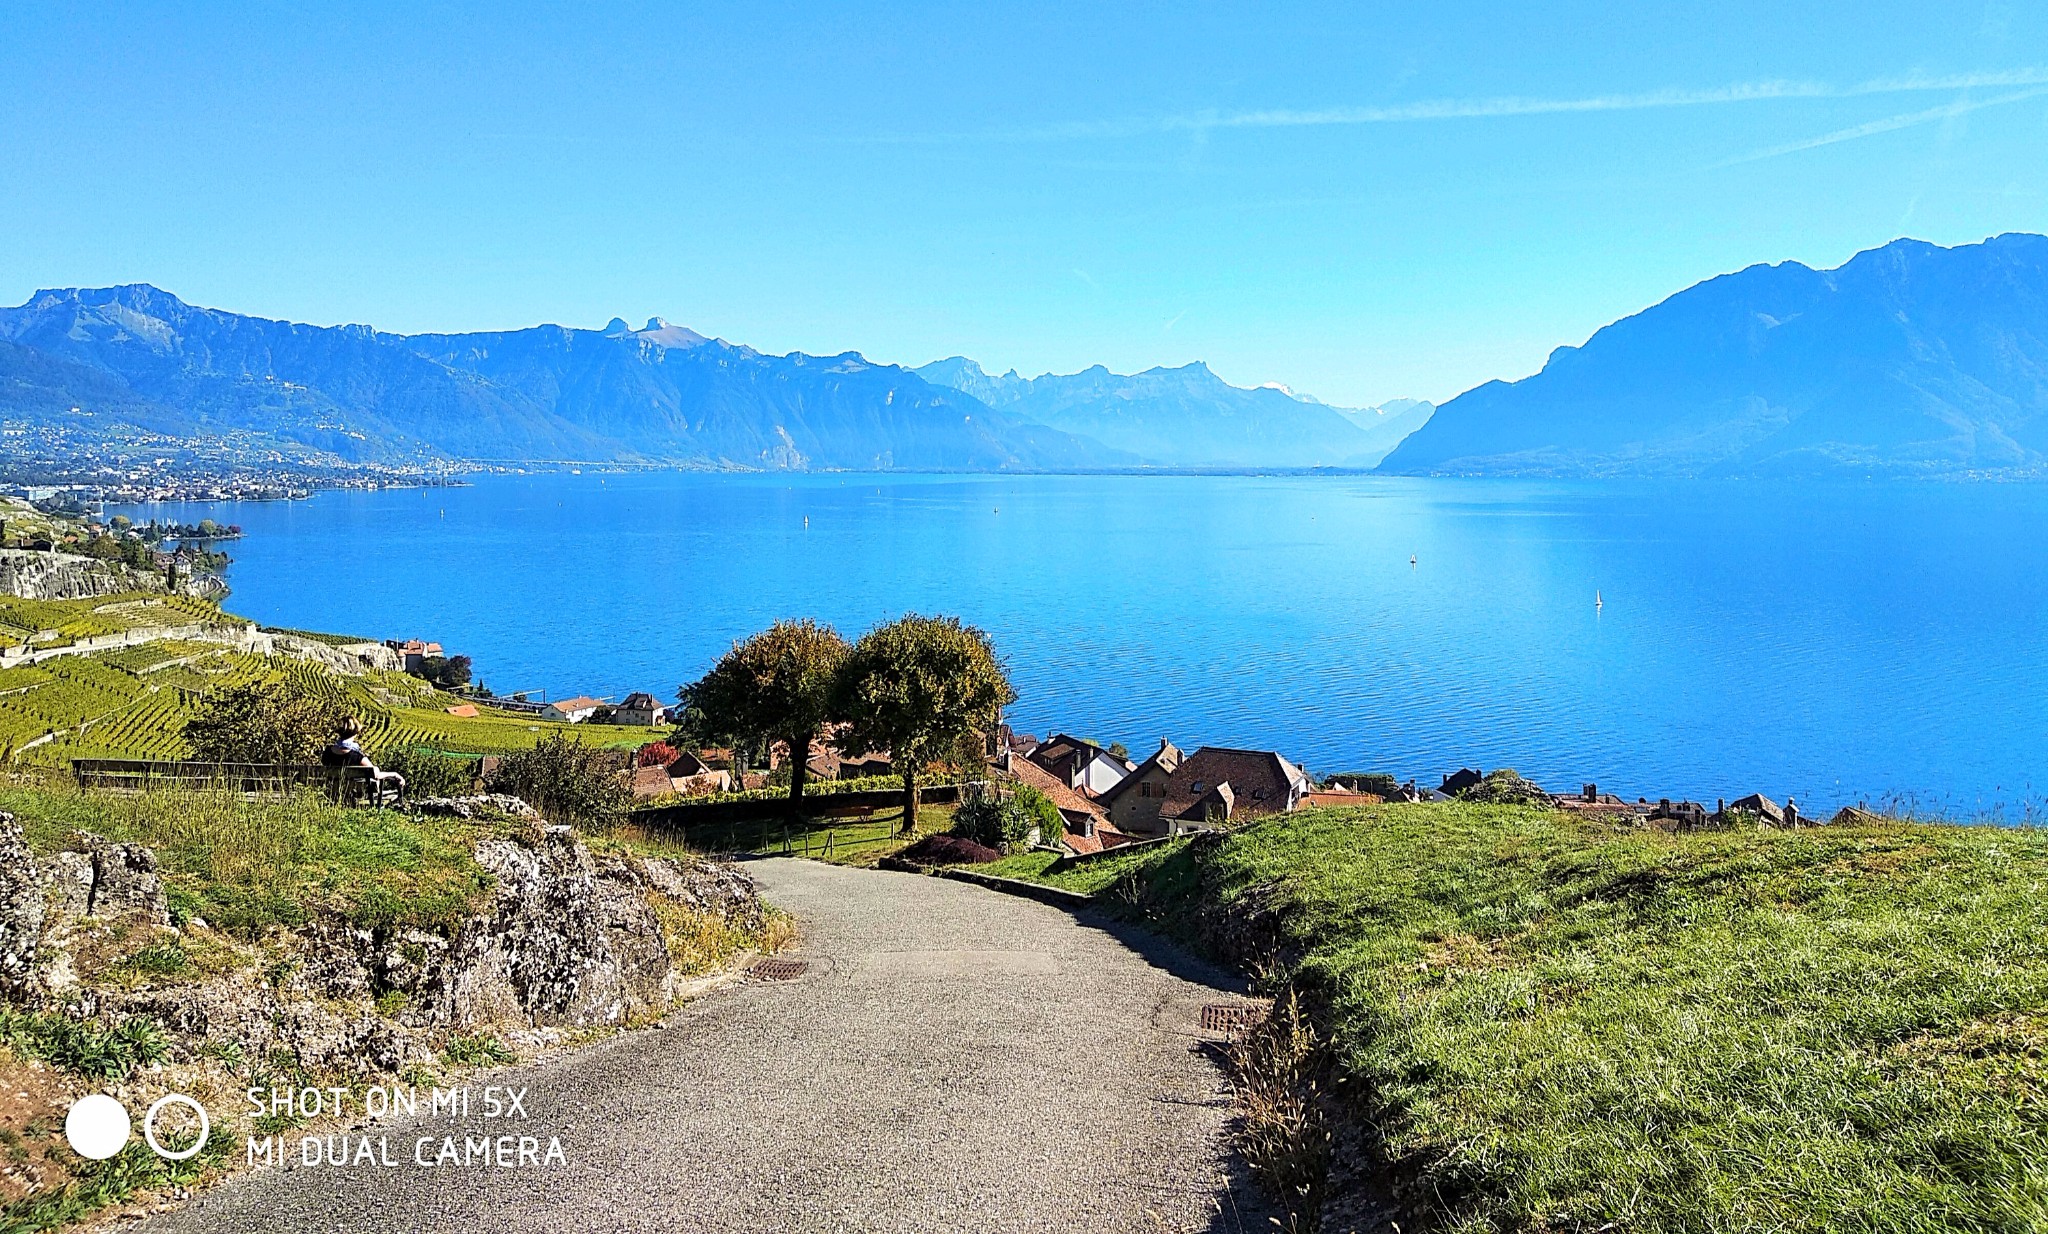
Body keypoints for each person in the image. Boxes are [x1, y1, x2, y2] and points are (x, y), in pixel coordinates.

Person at [323, 717, 404, 805]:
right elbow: (375, 774)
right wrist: (395, 774)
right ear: (356, 733)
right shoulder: (356, 756)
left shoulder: (327, 752)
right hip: (356, 792)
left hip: (332, 791)